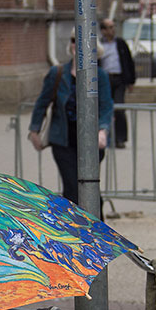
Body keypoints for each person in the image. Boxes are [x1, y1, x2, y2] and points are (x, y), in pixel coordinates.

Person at [27, 33, 113, 206]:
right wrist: (34, 130)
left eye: (82, 41)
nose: (78, 45)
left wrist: (102, 130)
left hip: (91, 143)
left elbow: (105, 106)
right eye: (74, 40)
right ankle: (74, 229)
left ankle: (97, 228)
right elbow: (42, 102)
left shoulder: (100, 76)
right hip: (63, 140)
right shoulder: (57, 73)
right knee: (72, 188)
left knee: (91, 188)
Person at [99, 17, 136, 148]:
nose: (112, 30)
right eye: (109, 27)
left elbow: (129, 61)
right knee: (104, 108)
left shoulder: (120, 43)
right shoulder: (99, 45)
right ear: (103, 30)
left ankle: (120, 138)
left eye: (113, 27)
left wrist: (131, 81)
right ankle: (104, 137)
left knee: (119, 108)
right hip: (104, 80)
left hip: (119, 79)